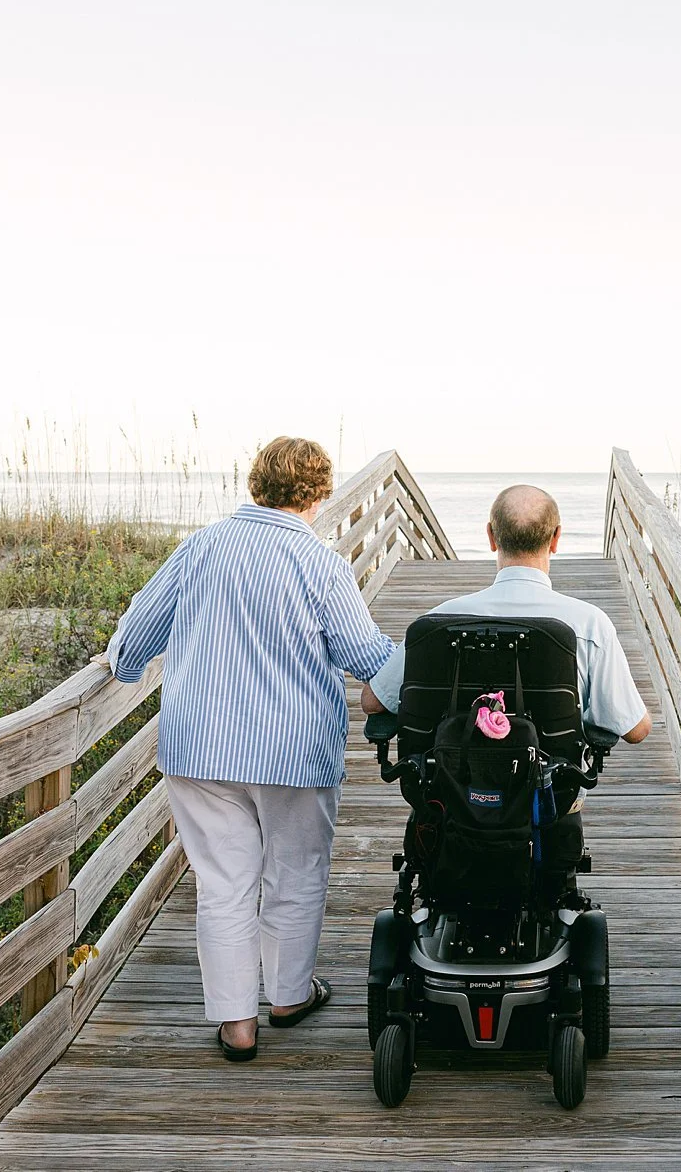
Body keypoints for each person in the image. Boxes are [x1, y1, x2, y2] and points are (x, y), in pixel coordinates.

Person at [105, 436, 397, 1062]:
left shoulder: (201, 547)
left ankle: (237, 1025)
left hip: (202, 748)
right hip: (294, 751)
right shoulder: (320, 563)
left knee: (224, 884)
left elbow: (132, 647)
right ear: (317, 496)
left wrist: (119, 665)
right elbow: (367, 659)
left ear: (255, 485)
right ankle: (289, 996)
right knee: (296, 874)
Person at [361, 483, 651, 750]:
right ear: (555, 539)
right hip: (551, 792)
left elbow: (373, 702)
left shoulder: (438, 621)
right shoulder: (590, 625)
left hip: (448, 790)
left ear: (491, 536)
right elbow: (635, 730)